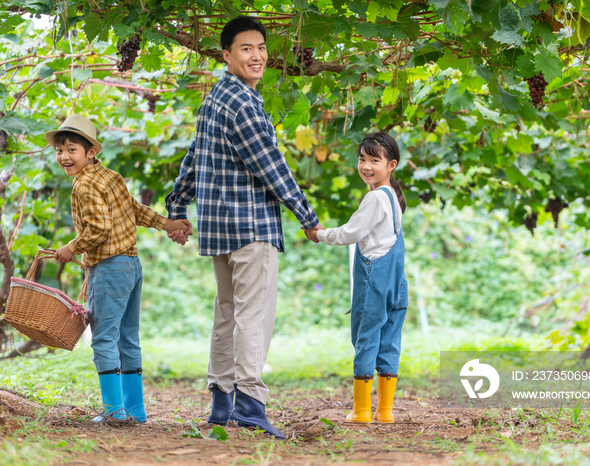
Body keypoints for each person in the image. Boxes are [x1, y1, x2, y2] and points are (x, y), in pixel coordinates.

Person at [164, 16, 322, 439]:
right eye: (246, 48)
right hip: (251, 227)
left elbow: (193, 159)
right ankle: (250, 403)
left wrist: (177, 205)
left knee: (227, 315)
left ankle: (221, 401)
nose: (257, 56)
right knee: (253, 316)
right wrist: (307, 216)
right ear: (227, 54)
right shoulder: (244, 105)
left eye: (262, 48)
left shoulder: (215, 97)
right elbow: (272, 167)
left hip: (219, 229)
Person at [47, 114, 191, 423]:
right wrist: (167, 224)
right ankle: (135, 410)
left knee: (103, 338)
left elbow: (98, 229)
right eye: (60, 151)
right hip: (131, 266)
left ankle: (114, 411)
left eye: (72, 149)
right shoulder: (111, 177)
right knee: (128, 337)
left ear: (91, 152)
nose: (64, 157)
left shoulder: (84, 185)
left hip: (110, 268)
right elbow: (134, 209)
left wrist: (69, 249)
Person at [305, 132, 409, 424]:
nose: (366, 166)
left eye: (375, 160)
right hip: (397, 284)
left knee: (365, 339)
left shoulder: (376, 198)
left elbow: (352, 233)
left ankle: (362, 411)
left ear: (391, 165)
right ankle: (385, 411)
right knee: (389, 341)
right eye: (362, 159)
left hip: (374, 283)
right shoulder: (393, 197)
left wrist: (319, 234)